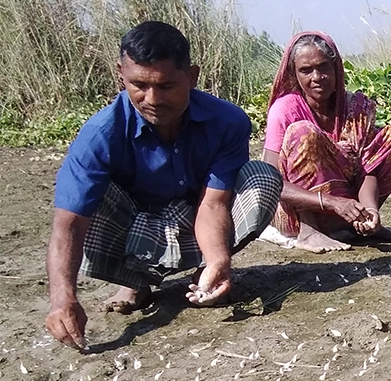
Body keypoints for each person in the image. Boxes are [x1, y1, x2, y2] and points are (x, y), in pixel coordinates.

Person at [45, 21, 282, 351]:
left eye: (167, 85)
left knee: (262, 178)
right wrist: (63, 298)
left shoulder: (228, 122)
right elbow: (68, 227)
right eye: (138, 85)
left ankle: (205, 275)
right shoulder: (99, 135)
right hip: (133, 227)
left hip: (194, 220)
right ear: (120, 74)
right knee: (82, 203)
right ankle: (134, 282)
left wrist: (217, 260)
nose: (152, 99)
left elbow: (213, 204)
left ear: (193, 76)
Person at [263, 32, 391, 252]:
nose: (317, 77)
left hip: (346, 209)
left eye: (323, 67)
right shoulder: (286, 109)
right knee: (303, 133)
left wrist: (369, 209)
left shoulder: (356, 108)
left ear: (336, 68)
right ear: (294, 74)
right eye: (306, 70)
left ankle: (362, 225)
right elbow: (270, 182)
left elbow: (368, 168)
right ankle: (309, 232)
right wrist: (332, 202)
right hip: (295, 214)